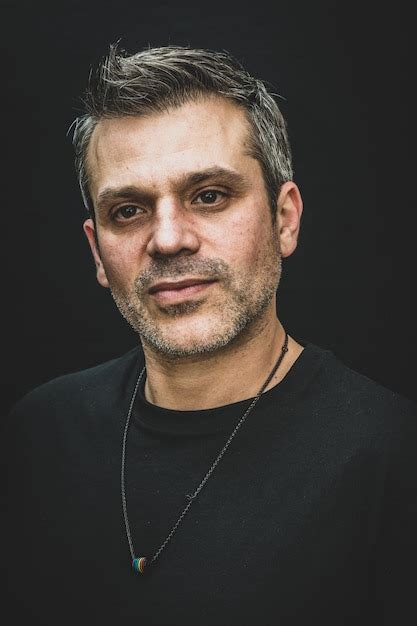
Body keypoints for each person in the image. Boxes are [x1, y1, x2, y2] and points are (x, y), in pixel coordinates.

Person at [2, 44, 416, 626]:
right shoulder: (39, 434)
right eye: (128, 210)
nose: (169, 240)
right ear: (97, 252)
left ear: (284, 218)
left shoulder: (391, 460)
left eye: (209, 196)